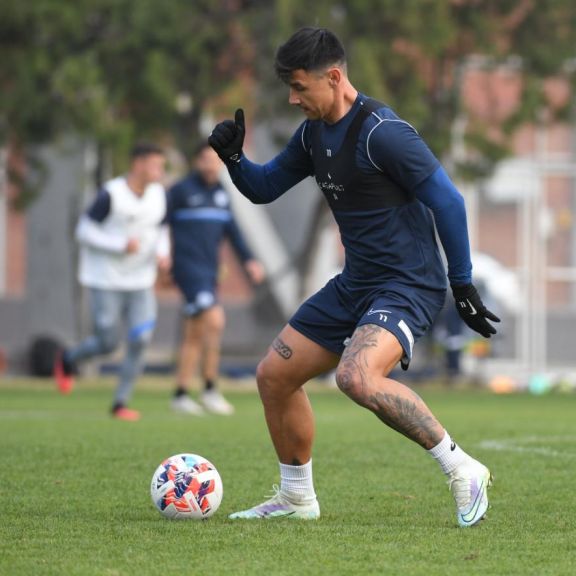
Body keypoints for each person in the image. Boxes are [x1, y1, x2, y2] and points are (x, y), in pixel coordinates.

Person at [208, 27, 500, 527]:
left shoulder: (382, 133)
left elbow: (448, 201)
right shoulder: (312, 134)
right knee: (274, 377)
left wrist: (463, 283)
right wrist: (234, 159)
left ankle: (463, 468)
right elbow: (265, 187)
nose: (292, 98)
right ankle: (297, 497)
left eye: (299, 87)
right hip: (356, 283)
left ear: (335, 77)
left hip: (408, 284)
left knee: (356, 376)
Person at [54, 143, 170, 421]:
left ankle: (120, 403)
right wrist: (119, 244)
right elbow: (83, 231)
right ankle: (68, 359)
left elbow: (161, 228)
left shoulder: (158, 195)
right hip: (104, 279)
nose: (160, 171)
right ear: (138, 164)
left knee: (140, 339)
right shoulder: (112, 194)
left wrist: (163, 255)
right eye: (156, 165)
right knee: (107, 343)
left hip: (141, 281)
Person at [166, 142, 265, 416]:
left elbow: (233, 233)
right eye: (205, 159)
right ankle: (206, 389)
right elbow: (160, 225)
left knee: (197, 331)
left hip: (210, 273)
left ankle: (185, 392)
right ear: (196, 162)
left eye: (214, 160)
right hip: (188, 270)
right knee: (214, 320)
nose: (210, 164)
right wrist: (161, 257)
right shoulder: (180, 191)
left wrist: (249, 261)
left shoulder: (222, 194)